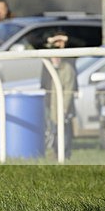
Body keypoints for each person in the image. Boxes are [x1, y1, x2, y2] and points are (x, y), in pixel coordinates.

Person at [41, 31, 77, 159]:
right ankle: (55, 152)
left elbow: (68, 90)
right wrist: (50, 40)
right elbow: (36, 42)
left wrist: (65, 38)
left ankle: (64, 154)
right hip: (50, 103)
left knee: (65, 129)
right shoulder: (48, 64)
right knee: (53, 129)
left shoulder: (68, 63)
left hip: (63, 104)